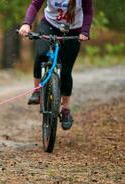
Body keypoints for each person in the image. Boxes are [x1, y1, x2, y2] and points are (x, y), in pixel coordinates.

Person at [19, 0, 93, 130]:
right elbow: (35, 4)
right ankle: (37, 91)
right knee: (41, 54)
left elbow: (88, 12)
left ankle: (65, 110)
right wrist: (26, 24)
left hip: (73, 30)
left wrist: (85, 32)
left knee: (65, 71)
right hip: (49, 25)